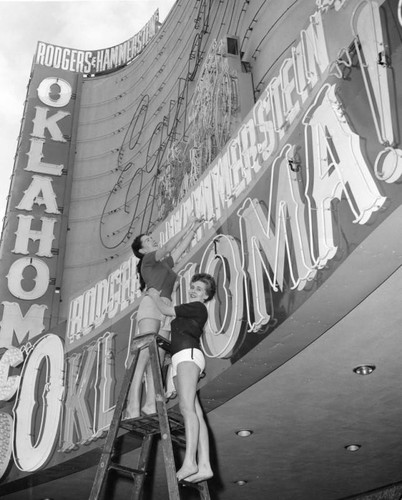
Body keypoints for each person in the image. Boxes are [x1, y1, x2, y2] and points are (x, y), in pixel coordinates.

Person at [125, 216, 204, 418]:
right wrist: (186, 225)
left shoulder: (164, 265)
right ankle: (132, 405)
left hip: (166, 307)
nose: (153, 240)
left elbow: (177, 251)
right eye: (149, 240)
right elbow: (169, 246)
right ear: (142, 250)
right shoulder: (148, 260)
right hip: (152, 302)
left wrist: (193, 230)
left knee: (157, 360)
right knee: (143, 355)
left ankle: (150, 404)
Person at [151, 273, 216, 483]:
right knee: (195, 411)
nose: (195, 290)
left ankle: (190, 462)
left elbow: (164, 309)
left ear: (206, 296)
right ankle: (204, 465)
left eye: (200, 289)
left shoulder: (197, 307)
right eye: (194, 287)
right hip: (181, 357)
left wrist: (153, 294)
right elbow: (166, 326)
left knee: (187, 409)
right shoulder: (187, 312)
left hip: (188, 355)